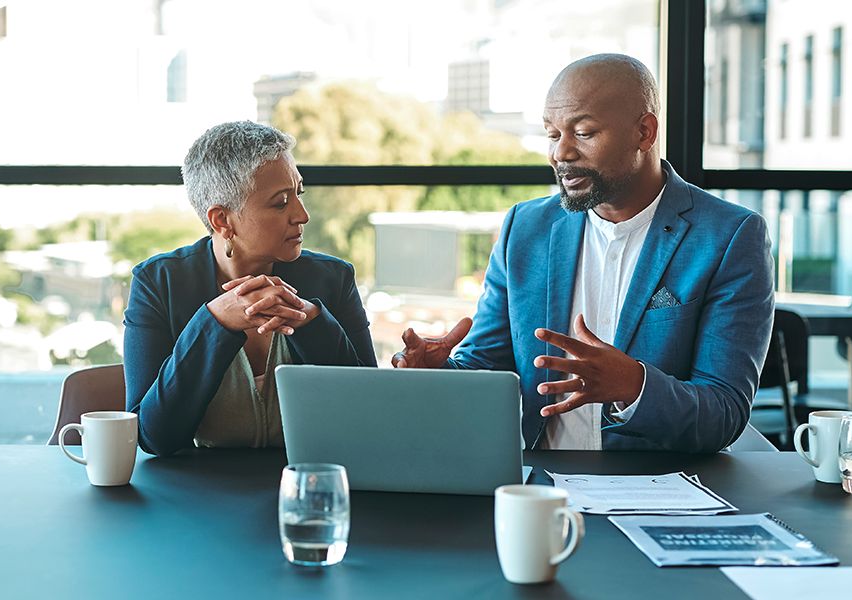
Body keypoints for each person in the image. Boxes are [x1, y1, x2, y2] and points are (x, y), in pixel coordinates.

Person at [393, 54, 774, 453]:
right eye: (552, 134)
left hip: (659, 489)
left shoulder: (730, 236)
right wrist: (438, 375)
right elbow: (487, 368)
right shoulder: (524, 228)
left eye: (584, 132)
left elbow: (724, 412)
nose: (562, 153)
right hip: (539, 484)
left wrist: (635, 386)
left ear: (644, 133)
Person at [124, 121, 376, 456]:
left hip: (310, 483)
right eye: (281, 202)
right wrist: (214, 324)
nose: (302, 215)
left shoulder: (334, 279)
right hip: (197, 495)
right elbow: (153, 436)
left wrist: (313, 322)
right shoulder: (158, 283)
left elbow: (368, 412)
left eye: (298, 194)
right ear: (222, 221)